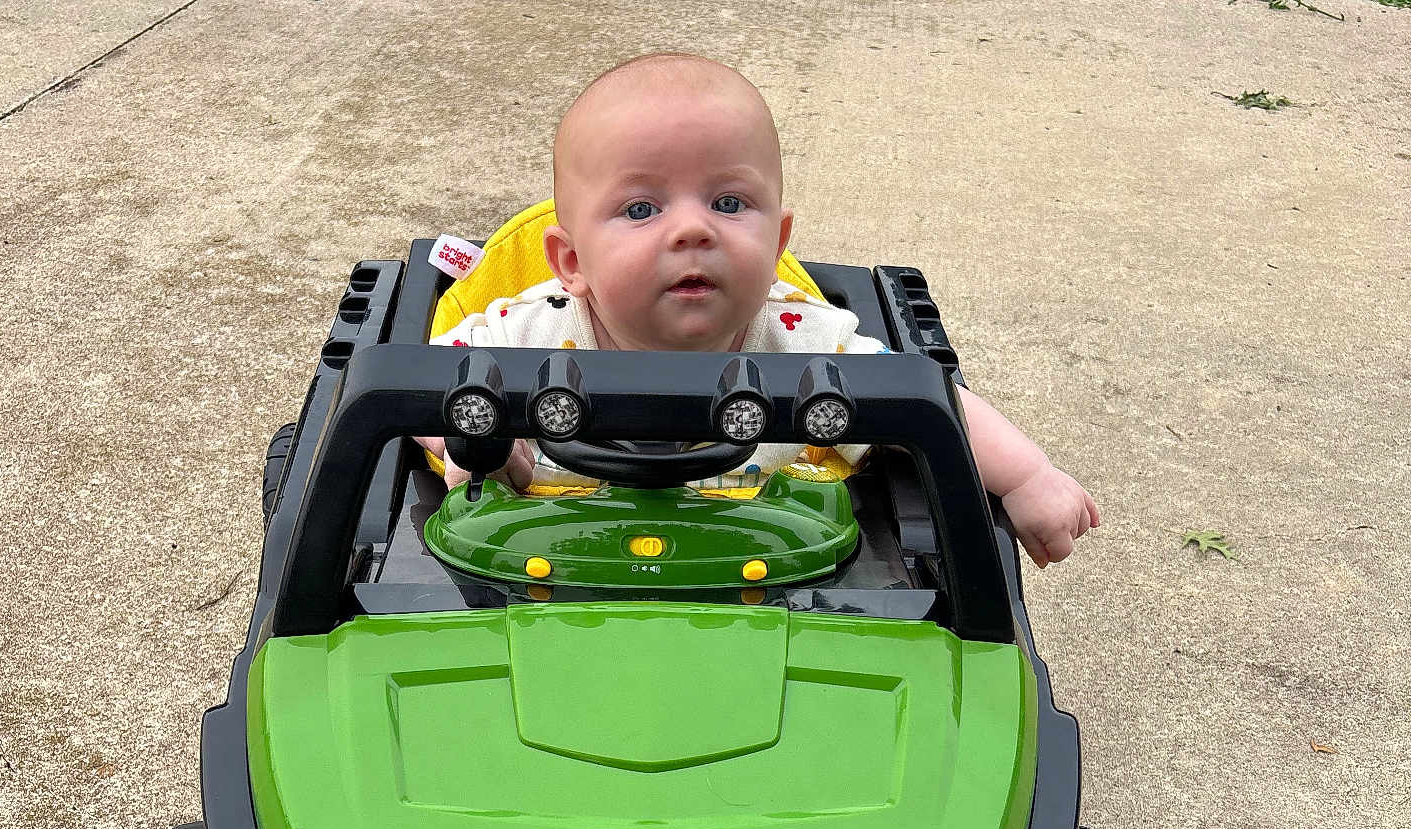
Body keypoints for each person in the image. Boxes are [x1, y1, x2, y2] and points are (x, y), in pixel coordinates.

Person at [419, 53, 1098, 568]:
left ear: (776, 244)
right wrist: (467, 440)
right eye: (641, 209)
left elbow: (927, 401)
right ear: (571, 264)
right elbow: (411, 384)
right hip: (544, 575)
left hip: (768, 582)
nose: (693, 230)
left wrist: (1029, 476)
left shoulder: (805, 340)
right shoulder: (526, 333)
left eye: (728, 203)